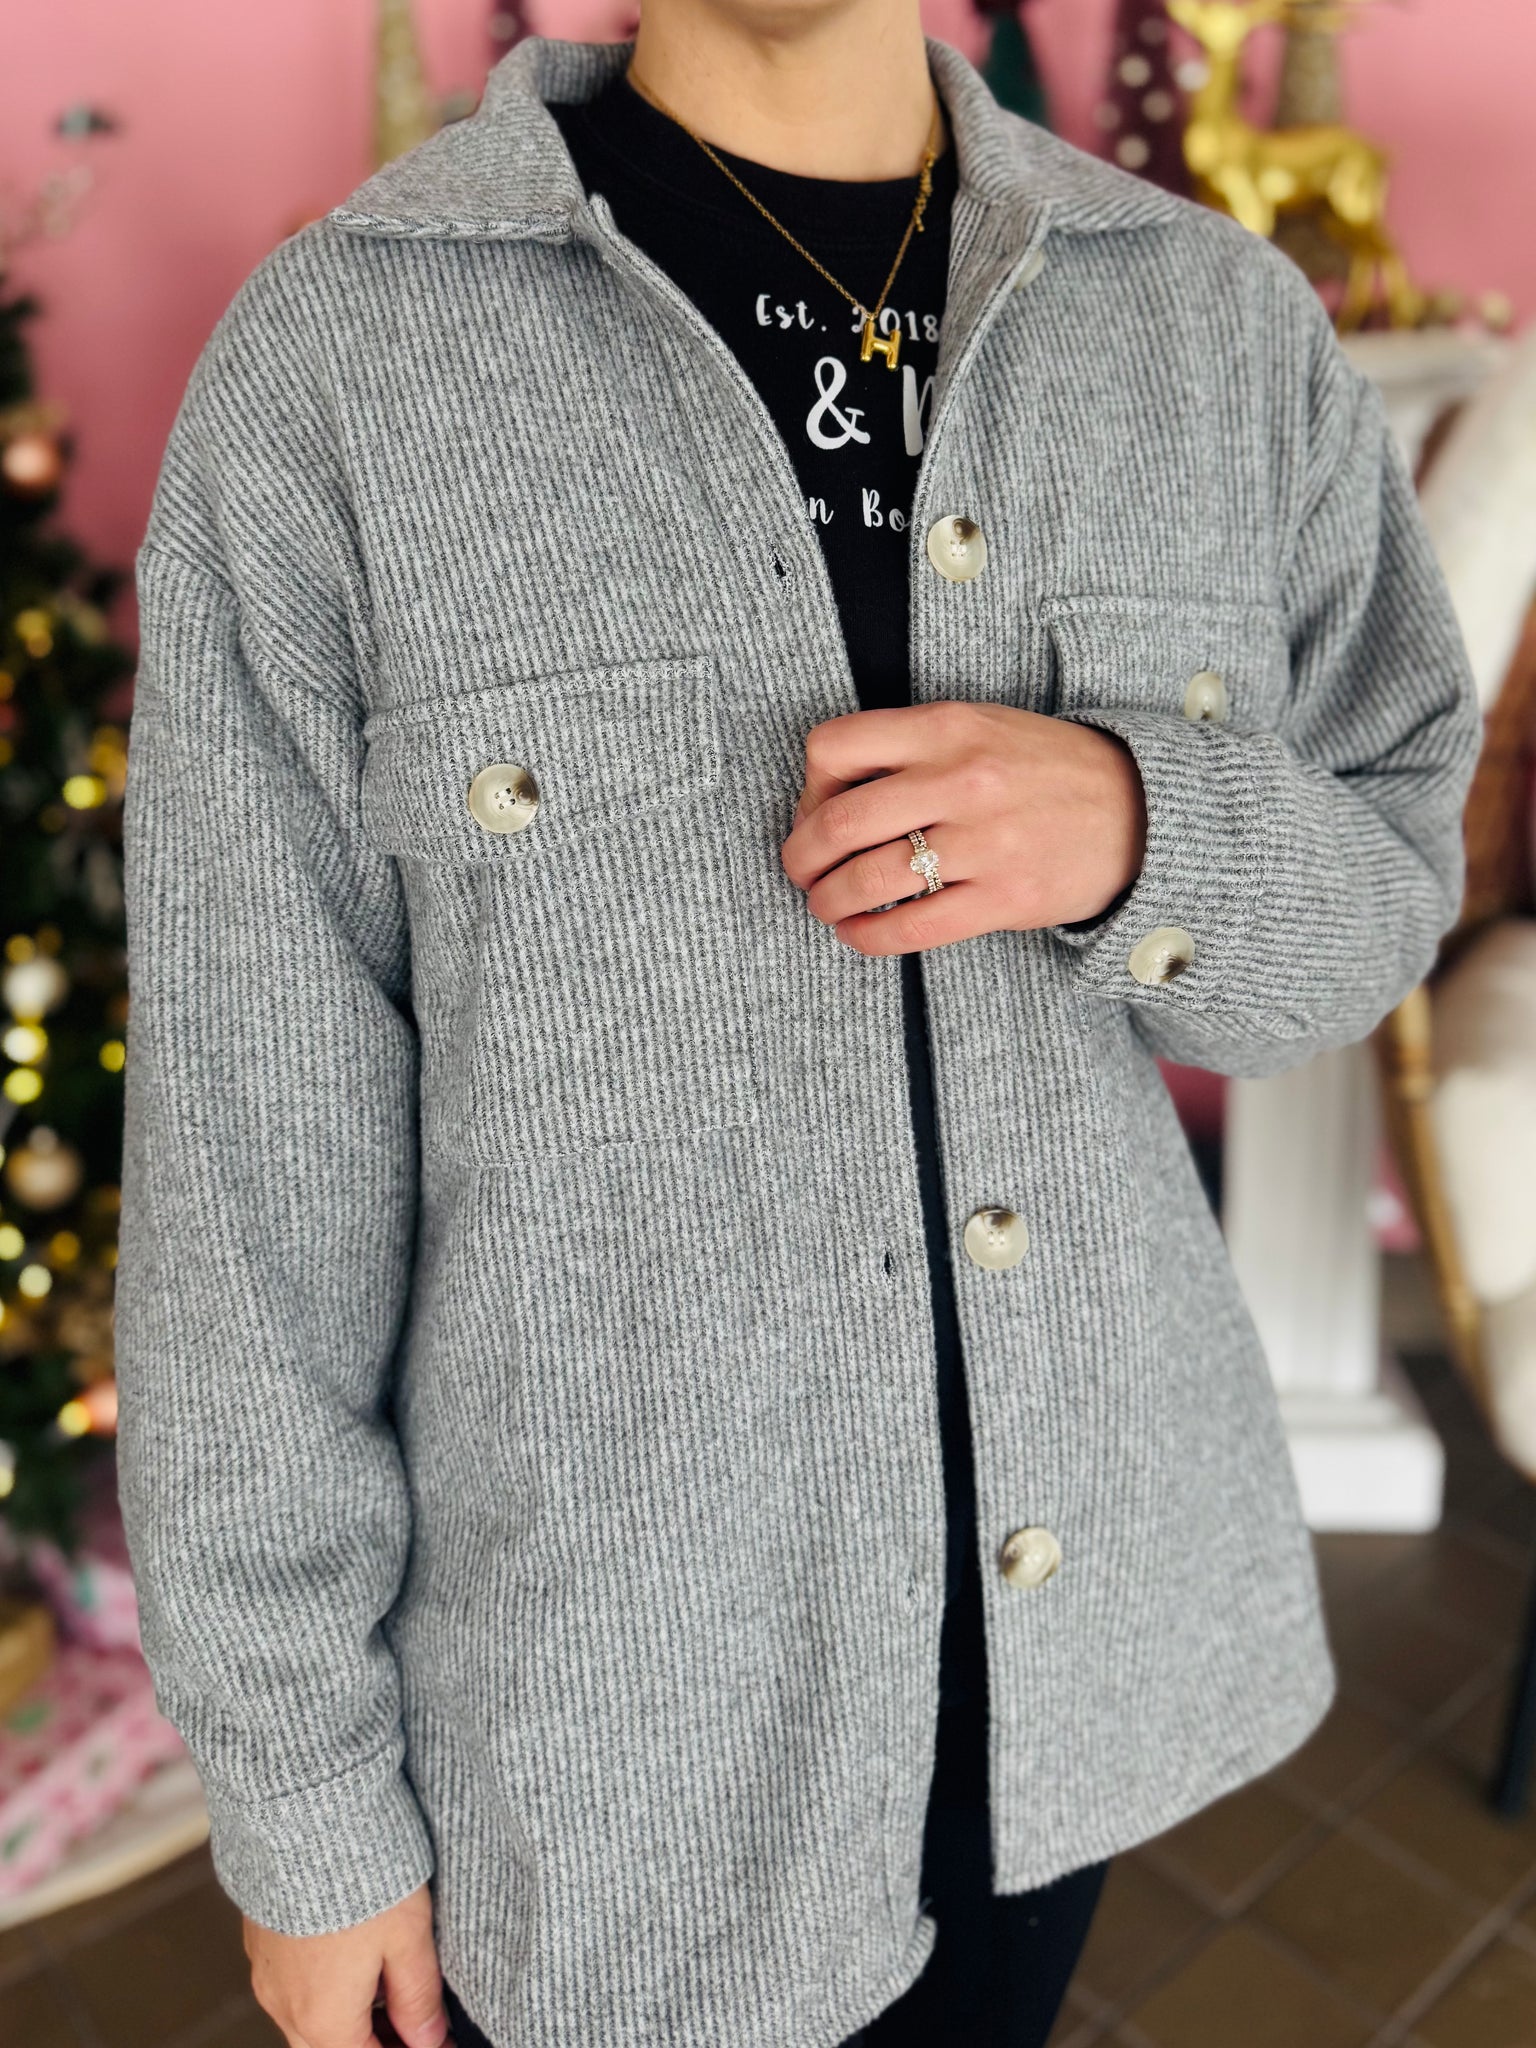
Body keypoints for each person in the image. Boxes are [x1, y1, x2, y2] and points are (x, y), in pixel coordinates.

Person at [113, 2, 1480, 2045]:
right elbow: (247, 1164)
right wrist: (305, 1799)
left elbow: (1379, 901)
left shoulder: (1215, 328)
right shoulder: (337, 363)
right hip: (593, 1753)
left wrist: (1143, 829)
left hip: (1052, 1700)